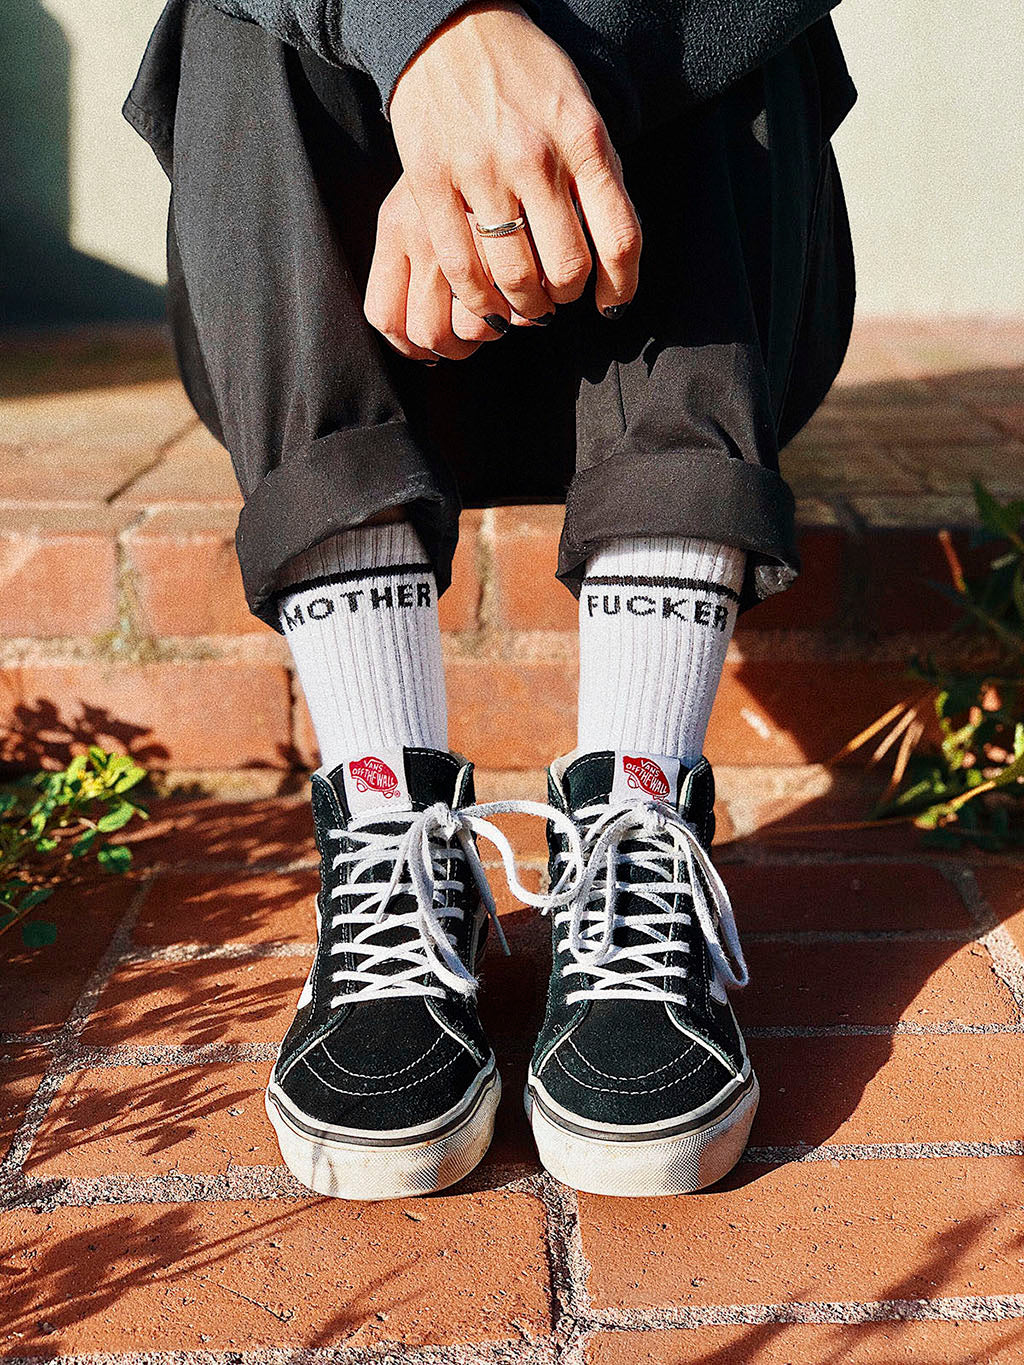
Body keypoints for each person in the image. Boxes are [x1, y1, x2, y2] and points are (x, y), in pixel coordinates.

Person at [125, 0, 856, 1200]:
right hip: (360, 307)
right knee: (238, 26)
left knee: (729, 46)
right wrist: (425, 43)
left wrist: (551, 78)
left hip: (693, 276)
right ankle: (387, 818)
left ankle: (636, 801)